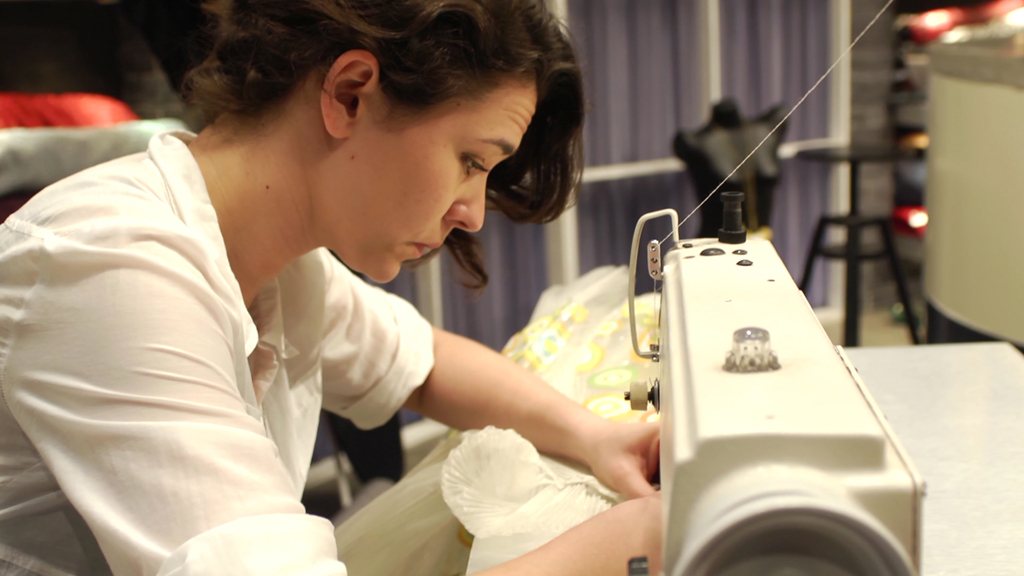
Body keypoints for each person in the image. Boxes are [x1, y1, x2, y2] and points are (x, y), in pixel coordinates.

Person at [0, 0, 662, 574]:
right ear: (350, 93)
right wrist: (638, 538)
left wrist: (597, 437)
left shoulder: (284, 265)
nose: (472, 213)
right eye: (470, 161)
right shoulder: (113, 267)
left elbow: (422, 364)